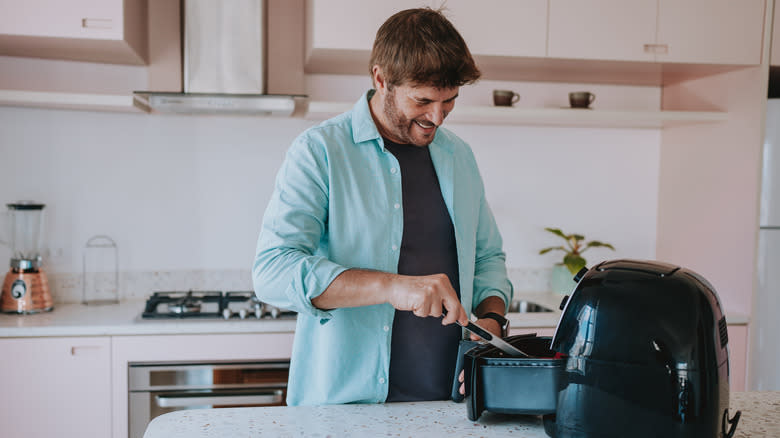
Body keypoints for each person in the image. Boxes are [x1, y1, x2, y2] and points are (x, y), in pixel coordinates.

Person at [252, 7, 513, 406]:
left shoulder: (459, 157)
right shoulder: (320, 151)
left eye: (450, 102)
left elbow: (488, 257)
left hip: (448, 406)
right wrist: (391, 286)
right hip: (344, 411)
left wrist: (491, 324)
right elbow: (273, 270)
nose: (437, 117)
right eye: (423, 100)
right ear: (381, 79)